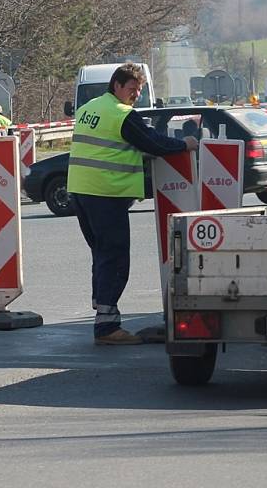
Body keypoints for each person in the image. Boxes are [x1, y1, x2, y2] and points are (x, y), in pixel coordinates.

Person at [67, 63, 198, 345]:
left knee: (102, 253)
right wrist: (186, 144)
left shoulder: (89, 108)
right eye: (132, 89)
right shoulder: (122, 115)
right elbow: (155, 144)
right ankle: (107, 328)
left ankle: (101, 307)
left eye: (139, 90)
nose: (136, 94)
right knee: (114, 257)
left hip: (80, 190)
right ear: (116, 86)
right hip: (106, 193)